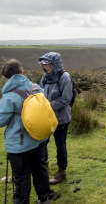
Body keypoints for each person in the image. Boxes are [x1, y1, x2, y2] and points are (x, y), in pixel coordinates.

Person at [0, 59, 61, 203]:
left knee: (21, 175)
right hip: (39, 139)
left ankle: (22, 201)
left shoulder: (9, 95)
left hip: (19, 144)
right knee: (40, 169)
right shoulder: (36, 88)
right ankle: (44, 197)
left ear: (7, 77)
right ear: (22, 72)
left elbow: (1, 120)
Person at [37, 52, 74, 185]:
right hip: (46, 117)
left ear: (55, 63)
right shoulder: (45, 77)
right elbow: (40, 93)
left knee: (60, 145)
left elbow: (65, 100)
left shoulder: (65, 77)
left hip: (61, 119)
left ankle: (61, 171)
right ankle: (44, 163)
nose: (45, 67)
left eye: (48, 64)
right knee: (42, 141)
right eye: (44, 64)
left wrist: (46, 106)